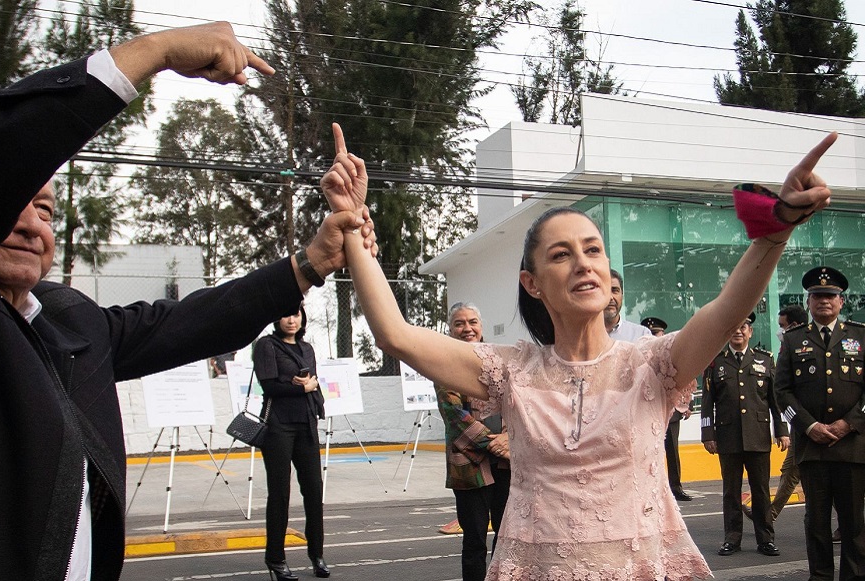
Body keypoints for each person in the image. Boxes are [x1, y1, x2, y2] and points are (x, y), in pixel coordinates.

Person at [0, 23, 378, 580]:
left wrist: (311, 262)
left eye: (44, 209)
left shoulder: (66, 320)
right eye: (10, 200)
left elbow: (191, 322)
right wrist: (155, 53)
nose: (29, 225)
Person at [322, 120, 836, 579]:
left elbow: (725, 311)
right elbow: (396, 334)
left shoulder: (653, 364)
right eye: (561, 255)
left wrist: (774, 231)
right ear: (533, 282)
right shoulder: (510, 370)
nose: (583, 264)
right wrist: (350, 226)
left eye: (593, 250)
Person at [774, 266, 865, 580]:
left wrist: (848, 424)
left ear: (841, 301)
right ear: (809, 302)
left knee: (854, 524)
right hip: (812, 449)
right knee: (816, 523)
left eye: (830, 295)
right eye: (817, 296)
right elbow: (781, 392)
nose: (824, 300)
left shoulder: (860, 336)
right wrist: (808, 426)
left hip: (852, 448)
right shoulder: (793, 340)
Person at [701, 312, 789, 557]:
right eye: (734, 328)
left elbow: (775, 401)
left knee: (760, 491)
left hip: (758, 436)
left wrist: (781, 431)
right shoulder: (715, 362)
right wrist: (708, 433)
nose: (739, 331)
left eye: (744, 327)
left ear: (750, 332)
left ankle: (766, 539)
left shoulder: (764, 360)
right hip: (728, 437)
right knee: (731, 491)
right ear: (728, 333)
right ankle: (732, 539)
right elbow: (708, 403)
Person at [435, 302, 510, 581]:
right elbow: (454, 415)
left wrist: (509, 439)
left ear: (481, 325)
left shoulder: (498, 359)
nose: (467, 328)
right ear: (451, 329)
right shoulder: (443, 363)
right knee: (475, 539)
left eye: (473, 321)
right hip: (469, 464)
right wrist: (494, 442)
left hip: (505, 463)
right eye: (459, 323)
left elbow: (514, 403)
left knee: (507, 537)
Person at [253, 306, 328, 580]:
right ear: (276, 318)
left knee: (314, 492)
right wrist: (300, 387)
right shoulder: (266, 346)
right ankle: (275, 558)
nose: (291, 319)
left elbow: (314, 384)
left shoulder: (307, 348)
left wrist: (311, 388)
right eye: (285, 314)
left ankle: (317, 555)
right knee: (280, 494)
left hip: (307, 425)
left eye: (296, 314)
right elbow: (269, 386)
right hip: (278, 427)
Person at [756, 304, 808, 524]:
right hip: (799, 423)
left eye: (782, 326)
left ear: (794, 325)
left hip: (810, 424)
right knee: (793, 471)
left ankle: (770, 514)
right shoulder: (789, 347)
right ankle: (770, 514)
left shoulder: (806, 347)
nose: (780, 331)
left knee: (796, 472)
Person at [643, 316, 694, 501]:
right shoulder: (641, 353)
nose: (657, 336)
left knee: (672, 451)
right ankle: (651, 488)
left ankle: (676, 487)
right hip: (647, 412)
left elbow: (684, 375)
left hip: (671, 412)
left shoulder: (670, 353)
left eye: (658, 333)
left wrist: (688, 404)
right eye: (653, 333)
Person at [605, 271, 650, 341]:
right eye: (605, 291)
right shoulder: (582, 335)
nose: (611, 297)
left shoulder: (642, 335)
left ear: (622, 296)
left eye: (615, 290)